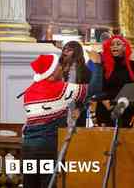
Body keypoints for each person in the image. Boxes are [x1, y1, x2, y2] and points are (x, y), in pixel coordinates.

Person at [22, 51, 102, 188]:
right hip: (48, 146)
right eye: (58, 65)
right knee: (50, 184)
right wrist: (97, 65)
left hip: (28, 146)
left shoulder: (29, 91)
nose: (61, 67)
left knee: (31, 185)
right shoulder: (59, 89)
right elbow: (94, 88)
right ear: (51, 73)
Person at [95, 35, 134, 127]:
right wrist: (103, 100)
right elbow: (97, 86)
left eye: (118, 44)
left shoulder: (132, 65)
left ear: (124, 47)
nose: (114, 46)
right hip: (106, 108)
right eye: (112, 44)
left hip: (126, 109)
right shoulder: (103, 65)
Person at [60, 41, 92, 126]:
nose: (65, 52)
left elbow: (88, 93)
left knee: (76, 136)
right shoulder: (58, 68)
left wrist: (79, 109)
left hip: (77, 109)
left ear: (77, 53)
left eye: (69, 50)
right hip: (59, 109)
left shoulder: (85, 71)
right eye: (64, 49)